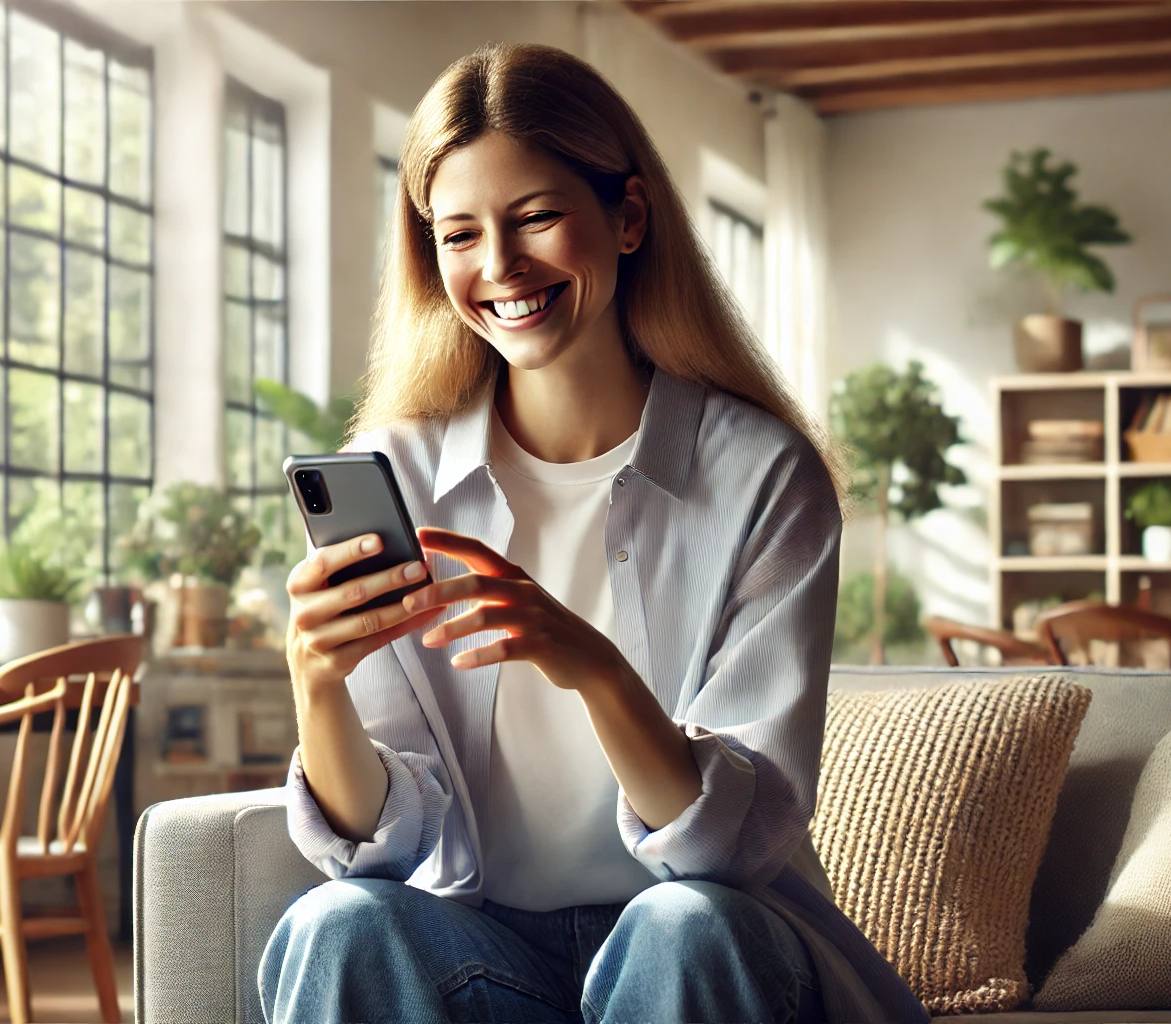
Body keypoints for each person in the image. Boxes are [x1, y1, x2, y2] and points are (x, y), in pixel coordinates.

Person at [263, 41, 926, 1024]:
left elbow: (724, 852)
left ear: (626, 217)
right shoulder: (398, 475)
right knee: (337, 923)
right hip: (488, 957)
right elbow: (385, 844)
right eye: (458, 234)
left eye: (535, 217)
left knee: (682, 926)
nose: (499, 267)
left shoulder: (761, 475)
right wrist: (317, 683)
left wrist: (593, 666)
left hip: (710, 955)